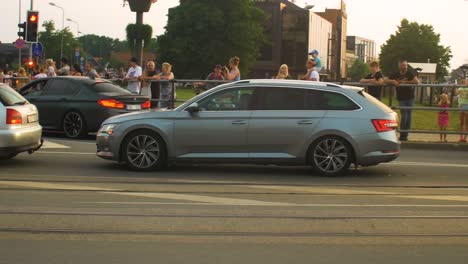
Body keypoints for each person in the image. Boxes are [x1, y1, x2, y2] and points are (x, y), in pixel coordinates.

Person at [385, 59, 420, 141]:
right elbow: (385, 80)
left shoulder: (410, 73)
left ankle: (405, 135)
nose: (404, 66)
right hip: (401, 98)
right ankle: (402, 134)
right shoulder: (395, 74)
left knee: (408, 115)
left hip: (410, 97)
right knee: (404, 115)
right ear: (399, 66)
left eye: (405, 65)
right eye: (403, 65)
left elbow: (416, 81)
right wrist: (393, 81)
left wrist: (404, 82)